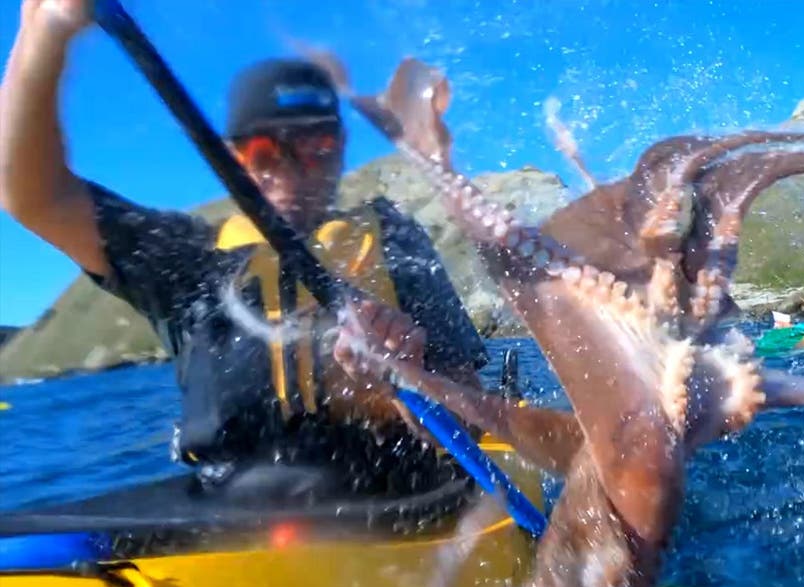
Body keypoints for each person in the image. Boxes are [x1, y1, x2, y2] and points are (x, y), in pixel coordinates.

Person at [0, 0, 488, 500]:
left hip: (400, 506)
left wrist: (405, 382)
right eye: (267, 153)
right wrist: (47, 32)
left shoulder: (395, 241)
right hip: (232, 515)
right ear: (236, 157)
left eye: (316, 148)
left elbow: (475, 417)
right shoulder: (186, 259)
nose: (294, 171)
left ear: (340, 148)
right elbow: (35, 197)